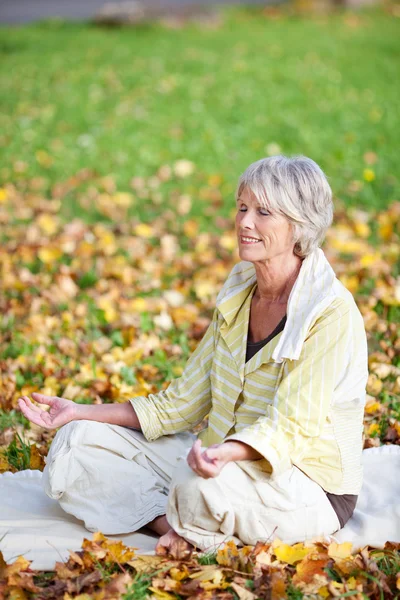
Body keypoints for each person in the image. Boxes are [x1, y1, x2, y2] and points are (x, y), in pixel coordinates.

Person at [18, 155, 368, 555]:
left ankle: (190, 518)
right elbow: (179, 404)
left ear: (299, 226)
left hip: (303, 482)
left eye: (263, 212)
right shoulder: (240, 289)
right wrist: (79, 410)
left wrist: (224, 456)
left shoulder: (330, 311)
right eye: (242, 207)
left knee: (199, 486)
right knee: (77, 443)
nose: (244, 222)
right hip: (218, 462)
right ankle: (173, 524)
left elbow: (290, 427)